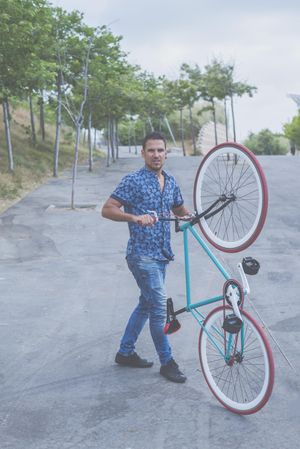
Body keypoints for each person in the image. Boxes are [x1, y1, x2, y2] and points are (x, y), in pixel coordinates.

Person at [101, 131, 190, 383]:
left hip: (162, 255)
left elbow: (179, 208)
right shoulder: (133, 181)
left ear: (166, 153)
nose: (156, 155)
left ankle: (125, 352)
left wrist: (191, 217)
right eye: (151, 150)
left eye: (160, 150)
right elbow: (107, 209)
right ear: (142, 153)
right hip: (141, 256)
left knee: (146, 304)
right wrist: (134, 217)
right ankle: (167, 361)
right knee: (159, 308)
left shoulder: (170, 181)